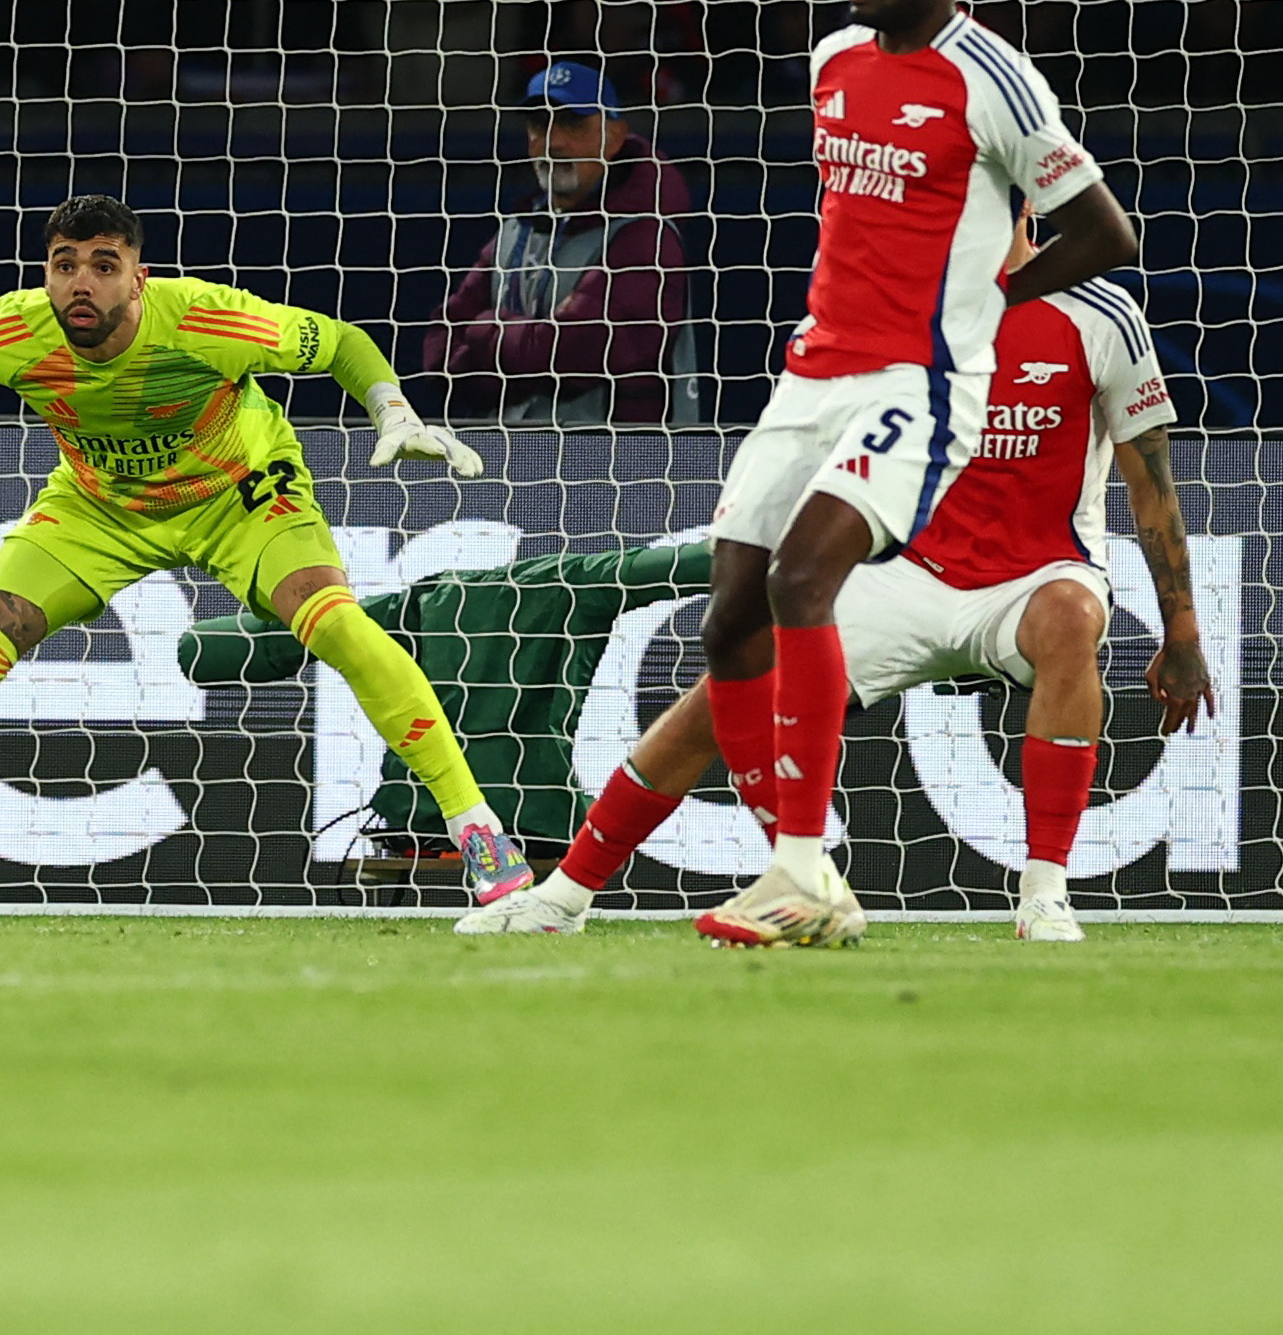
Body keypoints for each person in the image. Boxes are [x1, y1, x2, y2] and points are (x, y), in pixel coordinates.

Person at [0, 194, 522, 920]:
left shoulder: (206, 320)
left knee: (337, 625)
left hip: (238, 493)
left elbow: (339, 342)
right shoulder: (10, 331)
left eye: (105, 265)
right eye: (64, 264)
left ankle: (479, 833)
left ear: (138, 278)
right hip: (99, 507)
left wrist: (391, 406)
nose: (81, 281)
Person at [465, 223, 1209, 945]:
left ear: (1022, 208)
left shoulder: (1100, 313)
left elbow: (1150, 478)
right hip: (906, 575)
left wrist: (1182, 633)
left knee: (1072, 617)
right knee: (718, 695)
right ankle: (565, 894)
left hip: (1034, 578)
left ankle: (1045, 895)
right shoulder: (901, 308)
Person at [682, 0, 1134, 949]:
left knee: (805, 577)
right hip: (811, 374)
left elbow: (1109, 234)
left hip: (919, 383)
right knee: (728, 619)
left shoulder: (998, 82)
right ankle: (805, 873)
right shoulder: (833, 63)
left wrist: (990, 298)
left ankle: (796, 872)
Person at [427, 62, 695, 426]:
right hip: (504, 459)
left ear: (614, 137)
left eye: (573, 124)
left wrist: (483, 330)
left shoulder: (646, 237)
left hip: (618, 469)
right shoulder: (515, 231)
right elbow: (439, 354)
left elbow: (578, 352)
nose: (554, 143)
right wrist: (530, 342)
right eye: (540, 125)